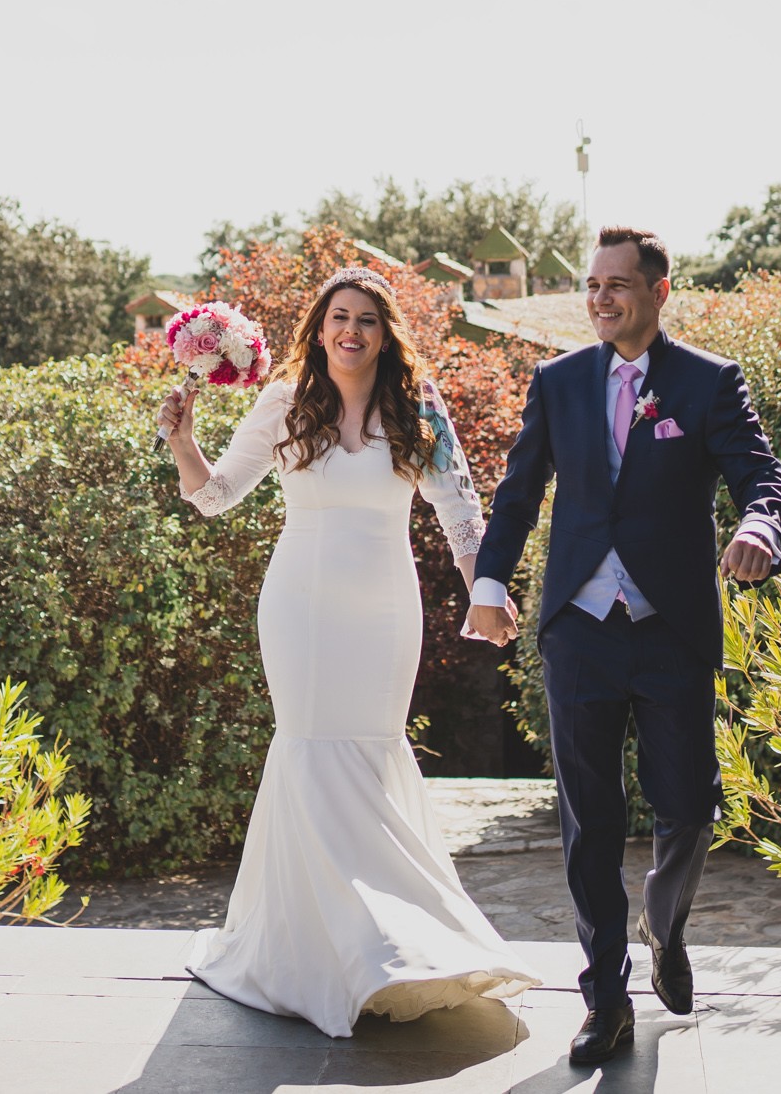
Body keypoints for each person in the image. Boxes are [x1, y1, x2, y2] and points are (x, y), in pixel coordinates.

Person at [155, 267, 537, 1039]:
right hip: (299, 607)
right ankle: (323, 951)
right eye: (338, 316)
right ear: (320, 327)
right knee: (309, 747)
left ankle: (390, 939)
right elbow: (216, 495)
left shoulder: (418, 404)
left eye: (366, 318)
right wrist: (183, 440)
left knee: (371, 751)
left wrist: (484, 591)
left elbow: (460, 511)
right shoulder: (284, 402)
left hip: (387, 608)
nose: (350, 330)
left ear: (385, 332)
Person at [466, 226, 781, 1066]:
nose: (601, 297)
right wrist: (490, 581)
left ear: (658, 290)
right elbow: (518, 491)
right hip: (580, 629)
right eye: (593, 284)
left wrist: (760, 525)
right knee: (591, 821)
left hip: (670, 628)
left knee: (689, 805)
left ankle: (662, 921)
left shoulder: (709, 381)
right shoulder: (559, 381)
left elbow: (762, 475)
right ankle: (605, 999)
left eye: (617, 283)